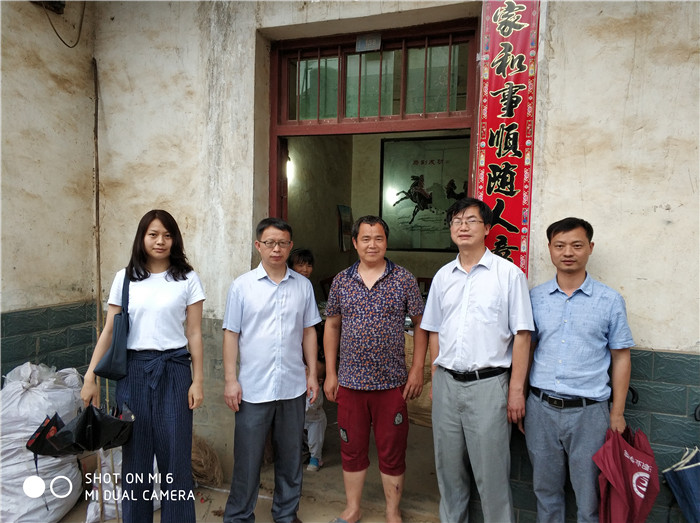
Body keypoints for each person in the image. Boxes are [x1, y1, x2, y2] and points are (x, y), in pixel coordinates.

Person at [81, 209, 205, 523]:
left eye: (167, 235)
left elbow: (194, 332)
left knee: (175, 458)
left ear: (175, 239)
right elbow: (109, 331)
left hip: (175, 370)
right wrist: (90, 377)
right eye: (153, 234)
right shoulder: (125, 279)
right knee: (135, 459)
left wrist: (198, 380)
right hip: (133, 372)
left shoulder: (187, 279)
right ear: (142, 238)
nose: (160, 241)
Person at [420, 197, 534, 523]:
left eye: (471, 220)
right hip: (447, 383)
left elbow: (522, 336)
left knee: (492, 474)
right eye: (457, 221)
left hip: (489, 385)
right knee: (448, 470)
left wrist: (516, 390)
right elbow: (434, 330)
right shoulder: (443, 276)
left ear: (487, 228)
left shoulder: (508, 275)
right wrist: (435, 377)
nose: (463, 226)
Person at [525, 217, 633, 522]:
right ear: (550, 249)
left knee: (589, 497)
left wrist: (617, 413)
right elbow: (527, 349)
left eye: (576, 245)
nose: (568, 252)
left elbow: (621, 357)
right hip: (540, 408)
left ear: (590, 248)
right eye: (559, 245)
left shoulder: (609, 300)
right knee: (545, 491)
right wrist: (519, 397)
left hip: (590, 413)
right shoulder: (534, 298)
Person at [323, 215, 428, 523]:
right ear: (355, 242)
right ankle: (353, 508)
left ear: (386, 242)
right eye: (366, 239)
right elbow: (332, 325)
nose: (372, 244)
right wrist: (331, 373)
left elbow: (421, 324)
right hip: (350, 383)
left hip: (391, 383)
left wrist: (417, 368)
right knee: (351, 447)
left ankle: (392, 510)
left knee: (392, 449)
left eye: (378, 238)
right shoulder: (341, 281)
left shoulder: (403, 279)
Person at [222, 218, 321, 523]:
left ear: (290, 246)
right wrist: (230, 380)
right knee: (248, 460)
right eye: (270, 243)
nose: (276, 249)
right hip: (253, 389)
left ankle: (286, 514)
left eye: (282, 243)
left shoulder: (303, 286)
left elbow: (309, 331)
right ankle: (238, 517)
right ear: (258, 246)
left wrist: (312, 374)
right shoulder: (242, 286)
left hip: (292, 386)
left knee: (290, 458)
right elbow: (231, 334)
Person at [287, 248, 327, 472]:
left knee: (313, 411)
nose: (305, 269)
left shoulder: (307, 289)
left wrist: (316, 368)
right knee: (295, 414)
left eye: (308, 265)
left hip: (309, 365)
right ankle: (303, 450)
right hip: (291, 364)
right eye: (300, 265)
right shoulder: (286, 289)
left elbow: (314, 334)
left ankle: (315, 456)